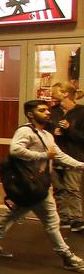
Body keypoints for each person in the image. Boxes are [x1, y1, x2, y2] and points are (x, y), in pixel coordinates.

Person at [0, 100, 84, 271]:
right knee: (52, 221)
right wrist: (43, 155)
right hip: (33, 184)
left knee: (14, 214)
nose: (47, 113)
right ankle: (67, 256)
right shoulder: (25, 131)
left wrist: (80, 165)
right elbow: (15, 150)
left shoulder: (47, 135)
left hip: (36, 185)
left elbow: (58, 155)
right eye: (42, 110)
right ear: (30, 114)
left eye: (47, 110)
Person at [54, 87, 84, 232]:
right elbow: (46, 130)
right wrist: (53, 132)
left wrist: (69, 129)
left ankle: (77, 220)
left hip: (74, 156)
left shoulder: (81, 112)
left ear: (66, 94)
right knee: (59, 189)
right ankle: (64, 218)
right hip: (56, 155)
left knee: (72, 188)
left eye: (57, 96)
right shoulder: (53, 111)